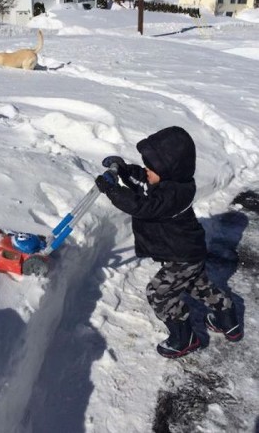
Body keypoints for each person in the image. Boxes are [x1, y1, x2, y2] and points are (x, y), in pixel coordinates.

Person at [95, 126, 243, 359]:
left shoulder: (174, 194)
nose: (146, 170)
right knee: (198, 286)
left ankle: (185, 338)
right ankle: (228, 321)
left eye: (151, 167)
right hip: (186, 252)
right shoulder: (169, 181)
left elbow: (144, 207)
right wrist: (123, 170)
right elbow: (142, 180)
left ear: (169, 169)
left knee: (159, 293)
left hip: (182, 256)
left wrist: (114, 192)